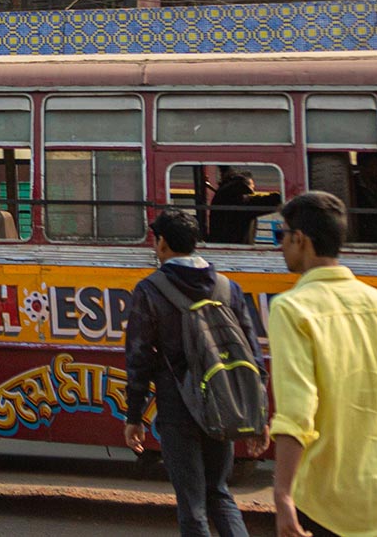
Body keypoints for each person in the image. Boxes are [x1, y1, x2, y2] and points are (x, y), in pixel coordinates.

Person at [268, 191, 377, 537]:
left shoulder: (292, 308)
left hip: (335, 507)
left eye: (279, 235)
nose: (280, 245)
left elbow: (297, 411)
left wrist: (283, 493)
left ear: (301, 240)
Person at [123, 208, 263, 537]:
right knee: (219, 493)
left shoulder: (150, 290)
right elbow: (252, 356)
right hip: (222, 401)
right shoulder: (229, 288)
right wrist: (257, 415)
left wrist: (134, 416)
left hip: (177, 406)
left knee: (192, 503)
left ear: (162, 244)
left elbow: (138, 357)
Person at [205, 169, 279, 245]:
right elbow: (268, 201)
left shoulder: (222, 197)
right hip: (234, 246)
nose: (254, 187)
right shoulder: (240, 201)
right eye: (252, 186)